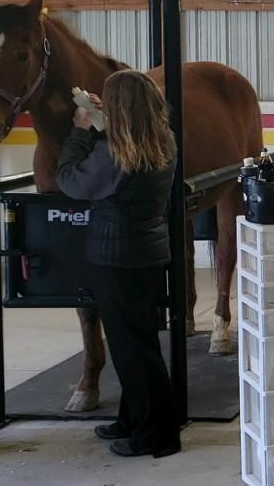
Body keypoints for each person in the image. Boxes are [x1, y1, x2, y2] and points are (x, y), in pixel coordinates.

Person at [55, 69, 181, 458]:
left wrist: (80, 131)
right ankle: (133, 420)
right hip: (146, 252)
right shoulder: (162, 140)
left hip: (115, 256)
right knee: (139, 344)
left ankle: (156, 435)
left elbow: (71, 181)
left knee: (133, 350)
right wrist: (101, 122)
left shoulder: (114, 152)